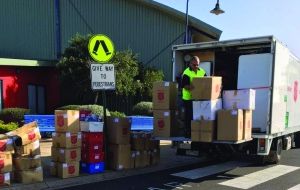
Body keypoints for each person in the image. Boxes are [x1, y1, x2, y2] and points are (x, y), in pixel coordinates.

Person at [181, 56, 206, 138]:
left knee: (197, 116)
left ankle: (197, 133)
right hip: (188, 99)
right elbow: (185, 86)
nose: (196, 66)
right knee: (189, 116)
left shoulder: (202, 71)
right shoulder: (186, 72)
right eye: (194, 65)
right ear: (190, 63)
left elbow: (208, 81)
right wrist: (196, 88)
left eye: (197, 65)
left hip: (198, 99)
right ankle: (188, 134)